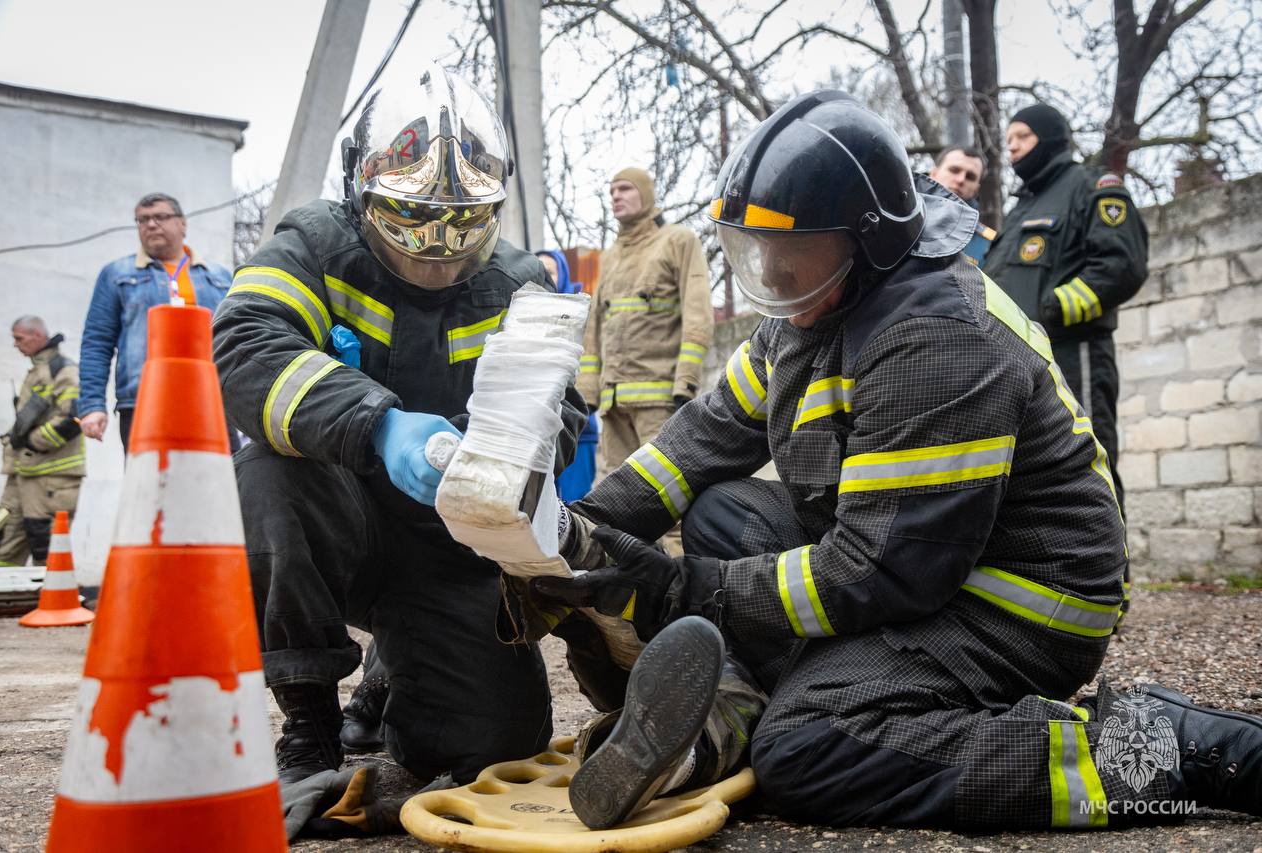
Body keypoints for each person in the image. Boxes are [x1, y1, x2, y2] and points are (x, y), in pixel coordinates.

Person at [534, 91, 1261, 833]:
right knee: (720, 510)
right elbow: (704, 437)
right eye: (752, 252)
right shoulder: (810, 307)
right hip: (924, 561)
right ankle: (734, 706)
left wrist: (680, 588)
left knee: (811, 747)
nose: (772, 275)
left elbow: (875, 573)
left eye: (790, 252)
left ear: (866, 239)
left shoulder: (932, 335)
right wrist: (573, 536)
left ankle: (1156, 749)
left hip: (1018, 599)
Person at [211, 64, 588, 838]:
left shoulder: (516, 284)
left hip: (445, 544)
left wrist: (514, 451)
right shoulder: (313, 245)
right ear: (362, 192)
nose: (439, 252)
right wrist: (379, 424)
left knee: (494, 743)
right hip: (335, 519)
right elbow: (245, 345)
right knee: (272, 473)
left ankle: (385, 689)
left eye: (462, 225)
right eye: (414, 220)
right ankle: (308, 722)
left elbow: (566, 410)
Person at [983, 103, 1148, 517]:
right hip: (1019, 363)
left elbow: (1120, 267)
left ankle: (1111, 581)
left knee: (1088, 461)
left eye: (1022, 136)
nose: (1013, 147)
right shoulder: (1021, 208)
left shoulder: (1093, 185)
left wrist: (1048, 313)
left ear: (1051, 137)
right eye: (1009, 141)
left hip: (1074, 353)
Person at [577, 168, 713, 476]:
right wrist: (587, 394)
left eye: (624, 189)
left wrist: (685, 383)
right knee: (617, 502)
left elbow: (697, 313)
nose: (616, 196)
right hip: (613, 407)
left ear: (646, 194)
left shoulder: (678, 241)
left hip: (660, 402)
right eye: (612, 192)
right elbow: (594, 328)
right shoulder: (610, 257)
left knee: (665, 497)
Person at [79, 192, 235, 450]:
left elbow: (234, 337)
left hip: (211, 399)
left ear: (182, 223)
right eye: (142, 220)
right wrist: (92, 405)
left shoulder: (218, 277)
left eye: (160, 217)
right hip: (144, 400)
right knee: (150, 483)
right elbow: (97, 342)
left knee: (218, 482)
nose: (151, 225)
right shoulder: (117, 274)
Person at [0, 316, 84, 566]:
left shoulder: (63, 370)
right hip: (22, 475)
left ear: (38, 335)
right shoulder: (38, 371)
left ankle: (49, 603)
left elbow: (73, 417)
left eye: (19, 338)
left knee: (47, 550)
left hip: (52, 479)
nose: (15, 345)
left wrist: (32, 443)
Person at [537, 248, 599, 502]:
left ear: (562, 274)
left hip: (578, 429)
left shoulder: (581, 311)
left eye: (550, 271)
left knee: (575, 506)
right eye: (539, 271)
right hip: (539, 429)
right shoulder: (526, 316)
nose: (545, 278)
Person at [929, 144, 997, 264]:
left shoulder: (988, 245)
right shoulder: (901, 218)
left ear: (976, 188)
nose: (961, 179)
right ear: (934, 174)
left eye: (970, 177)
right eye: (954, 170)